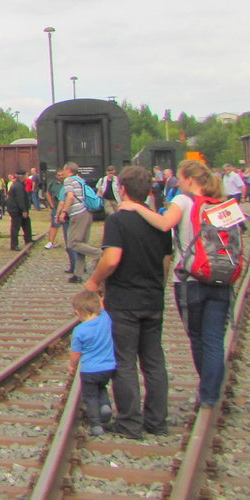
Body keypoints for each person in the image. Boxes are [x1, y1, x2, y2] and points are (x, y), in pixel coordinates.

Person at [118, 159, 238, 409]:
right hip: (222, 279)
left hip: (191, 280)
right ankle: (210, 394)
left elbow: (164, 224)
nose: (179, 183)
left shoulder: (183, 201)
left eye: (181, 179)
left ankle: (206, 391)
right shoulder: (224, 203)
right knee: (214, 339)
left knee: (198, 337)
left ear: (190, 180)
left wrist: (135, 207)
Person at [84, 165, 171, 439]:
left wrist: (94, 281)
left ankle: (130, 422)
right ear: (148, 192)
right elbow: (166, 261)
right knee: (154, 360)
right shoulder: (159, 222)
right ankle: (157, 421)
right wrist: (158, 286)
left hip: (124, 300)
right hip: (152, 298)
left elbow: (112, 259)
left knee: (124, 361)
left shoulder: (117, 221)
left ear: (122, 190)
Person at [68, 289, 117, 438]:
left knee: (91, 397)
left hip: (89, 370)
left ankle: (96, 426)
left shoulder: (79, 331)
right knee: (101, 387)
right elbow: (102, 306)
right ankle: (105, 406)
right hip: (108, 368)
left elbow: (76, 353)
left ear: (78, 312)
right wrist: (98, 295)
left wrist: (72, 365)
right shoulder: (105, 319)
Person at [59, 162, 99, 283]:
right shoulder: (80, 180)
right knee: (81, 244)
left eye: (64, 170)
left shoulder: (68, 180)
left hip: (78, 213)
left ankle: (101, 254)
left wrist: (64, 212)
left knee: (73, 243)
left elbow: (70, 197)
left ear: (68, 170)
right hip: (87, 212)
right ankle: (78, 274)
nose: (63, 172)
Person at [6, 169, 32, 250]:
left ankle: (28, 239)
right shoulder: (18, 186)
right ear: (23, 176)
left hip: (17, 209)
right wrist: (24, 210)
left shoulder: (19, 184)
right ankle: (14, 245)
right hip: (16, 210)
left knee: (26, 223)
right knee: (15, 227)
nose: (27, 177)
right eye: (26, 175)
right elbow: (20, 199)